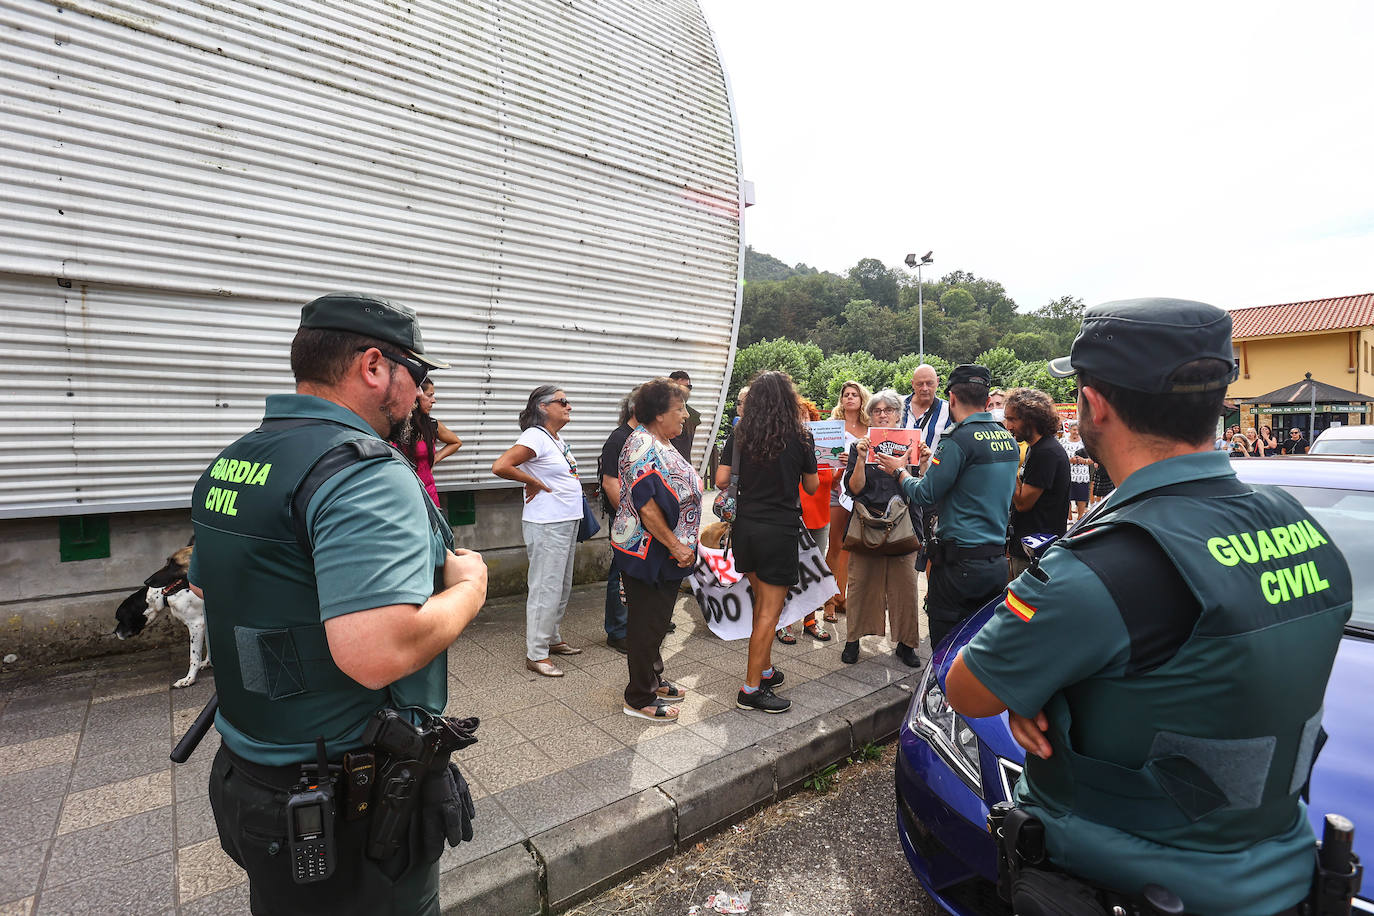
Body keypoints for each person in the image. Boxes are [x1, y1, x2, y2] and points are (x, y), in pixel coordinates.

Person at [944, 297, 1351, 915]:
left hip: (1125, 882)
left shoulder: (1102, 566)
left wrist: (1040, 689)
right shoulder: (1302, 528)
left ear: (1095, 404)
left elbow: (970, 690)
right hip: (1285, 878)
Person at [188, 292, 487, 916]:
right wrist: (470, 588)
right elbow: (378, 652)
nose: (420, 395)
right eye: (419, 376)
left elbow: (209, 586)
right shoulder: (365, 472)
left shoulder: (236, 458)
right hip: (350, 804)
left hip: (253, 777)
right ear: (375, 367)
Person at [876, 366, 1019, 650]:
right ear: (986, 397)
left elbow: (925, 494)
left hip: (960, 565)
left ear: (951, 398)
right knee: (981, 646)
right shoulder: (1008, 440)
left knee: (948, 647)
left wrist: (899, 472)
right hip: (995, 562)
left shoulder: (958, 440)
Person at [716, 371, 819, 713]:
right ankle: (750, 690)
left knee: (762, 605)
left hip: (745, 528)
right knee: (768, 615)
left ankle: (766, 669)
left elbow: (720, 479)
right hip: (779, 530)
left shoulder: (741, 433)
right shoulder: (800, 437)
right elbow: (813, 487)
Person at [611, 378, 702, 722]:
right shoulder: (641, 445)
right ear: (659, 414)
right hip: (650, 550)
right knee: (646, 624)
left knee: (657, 620)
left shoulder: (661, 440)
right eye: (679, 409)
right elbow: (647, 507)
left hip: (663, 550)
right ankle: (638, 697)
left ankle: (653, 678)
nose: (685, 415)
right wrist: (678, 545)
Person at [492, 385, 585, 677]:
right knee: (546, 587)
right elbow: (501, 466)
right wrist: (530, 481)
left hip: (565, 520)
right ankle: (536, 653)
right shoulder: (534, 435)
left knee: (562, 585)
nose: (569, 406)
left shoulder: (554, 438)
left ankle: (552, 637)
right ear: (543, 407)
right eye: (563, 401)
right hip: (547, 523)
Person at [841, 390, 923, 667]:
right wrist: (862, 459)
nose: (883, 414)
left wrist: (920, 463)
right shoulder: (860, 446)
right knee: (861, 585)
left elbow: (923, 489)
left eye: (889, 410)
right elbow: (854, 489)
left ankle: (907, 643)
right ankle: (852, 640)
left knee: (906, 587)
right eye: (877, 410)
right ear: (871, 415)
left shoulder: (911, 445)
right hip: (867, 525)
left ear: (900, 415)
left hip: (904, 526)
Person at [778, 396, 832, 644]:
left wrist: (841, 465)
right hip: (792, 515)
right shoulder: (784, 445)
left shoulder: (825, 445)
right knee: (789, 572)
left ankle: (810, 620)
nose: (802, 421)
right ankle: (785, 622)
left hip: (819, 516)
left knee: (814, 572)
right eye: (796, 416)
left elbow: (832, 482)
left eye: (805, 416)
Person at [1004, 387, 1070, 580]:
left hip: (1035, 553)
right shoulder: (1039, 448)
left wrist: (1009, 465)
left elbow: (1023, 503)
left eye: (1012, 419)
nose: (1008, 426)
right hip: (1029, 548)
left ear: (1030, 419)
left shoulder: (1046, 452)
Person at [597, 388, 641, 654]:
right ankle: (617, 631)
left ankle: (632, 624)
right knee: (620, 573)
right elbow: (610, 483)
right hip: (627, 519)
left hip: (642, 518)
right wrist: (627, 517)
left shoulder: (642, 437)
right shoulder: (619, 439)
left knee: (633, 573)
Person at [823, 380, 871, 623]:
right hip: (835, 488)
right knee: (835, 545)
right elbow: (820, 458)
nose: (849, 398)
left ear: (862, 399)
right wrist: (838, 459)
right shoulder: (832, 426)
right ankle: (828, 602)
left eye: (854, 394)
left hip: (860, 491)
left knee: (852, 547)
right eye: (845, 394)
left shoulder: (870, 426)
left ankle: (843, 596)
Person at [400, 378, 463, 506]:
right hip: (403, 493)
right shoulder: (398, 426)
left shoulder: (432, 425)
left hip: (428, 492)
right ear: (416, 395)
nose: (433, 401)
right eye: (429, 395)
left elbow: (456, 442)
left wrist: (435, 458)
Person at [1060, 419, 1092, 522]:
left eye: (1078, 430)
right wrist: (1070, 460)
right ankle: (1068, 517)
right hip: (1067, 473)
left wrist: (1083, 461)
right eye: (1074, 429)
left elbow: (1092, 459)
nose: (1076, 432)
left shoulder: (1085, 442)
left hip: (1082, 475)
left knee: (1081, 496)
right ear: (1069, 430)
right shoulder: (1063, 441)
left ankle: (1080, 517)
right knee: (1067, 496)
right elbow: (1059, 457)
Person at [668, 370, 702, 460]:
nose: (685, 391)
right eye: (680, 388)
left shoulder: (693, 415)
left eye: (688, 387)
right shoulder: (662, 413)